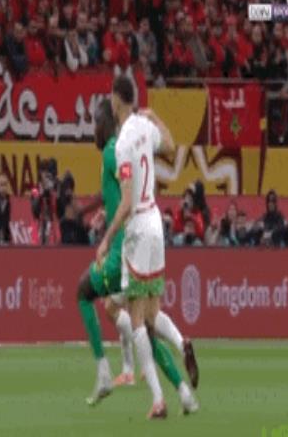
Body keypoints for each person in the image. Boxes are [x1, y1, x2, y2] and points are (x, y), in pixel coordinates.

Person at [79, 99, 199, 411]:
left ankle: (108, 372)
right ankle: (183, 392)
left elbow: (126, 196)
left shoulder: (113, 151)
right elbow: (121, 190)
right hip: (144, 233)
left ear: (104, 124)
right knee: (139, 318)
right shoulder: (125, 145)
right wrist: (97, 210)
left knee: (86, 294)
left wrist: (108, 238)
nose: (92, 130)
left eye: (94, 123)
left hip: (126, 247)